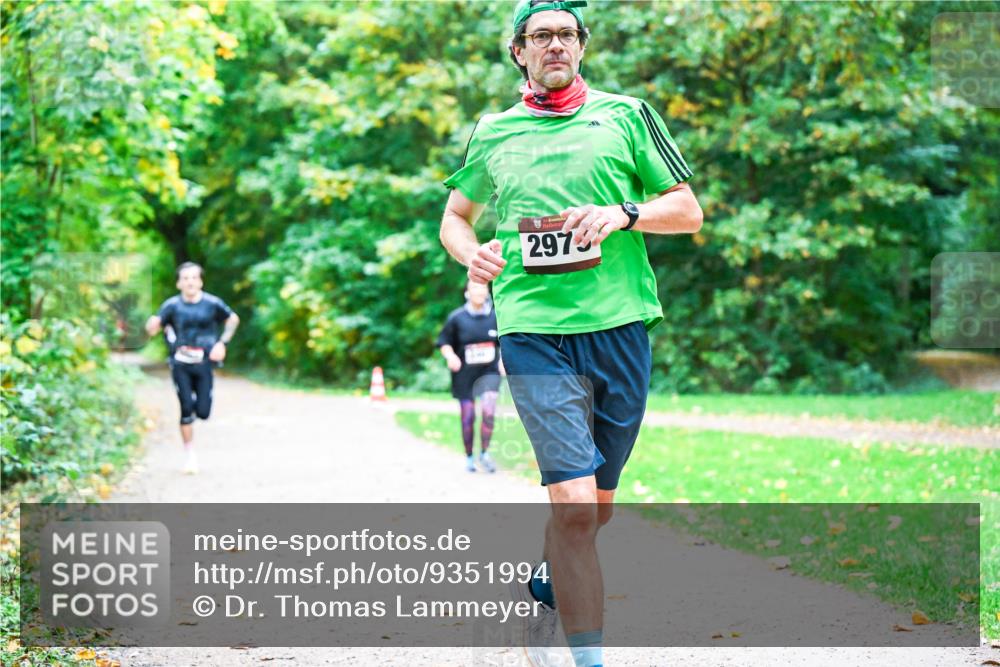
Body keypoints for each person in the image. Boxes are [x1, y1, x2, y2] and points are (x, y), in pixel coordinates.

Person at [438, 1, 703, 665]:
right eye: (540, 36)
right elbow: (455, 217)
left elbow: (688, 211)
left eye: (565, 35)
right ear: (519, 52)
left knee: (596, 511)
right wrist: (472, 253)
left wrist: (624, 213)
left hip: (619, 328)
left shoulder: (628, 115)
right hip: (533, 330)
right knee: (577, 510)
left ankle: (542, 589)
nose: (554, 45)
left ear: (581, 47)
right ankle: (587, 658)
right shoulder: (493, 131)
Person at [145, 262, 240, 474]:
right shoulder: (171, 306)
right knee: (186, 407)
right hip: (180, 364)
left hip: (204, 362)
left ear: (200, 281)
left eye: (194, 277)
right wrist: (151, 326)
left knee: (204, 412)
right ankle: (190, 456)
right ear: (179, 283)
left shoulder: (212, 303)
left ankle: (197, 412)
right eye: (185, 278)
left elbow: (233, 319)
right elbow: (153, 327)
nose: (190, 281)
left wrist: (222, 343)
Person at [436, 280, 504, 473]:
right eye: (474, 287)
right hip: (464, 374)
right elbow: (444, 342)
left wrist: (503, 361)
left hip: (489, 372)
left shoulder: (495, 317)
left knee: (489, 412)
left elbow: (505, 342)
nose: (479, 291)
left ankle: (484, 454)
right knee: (468, 416)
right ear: (467, 293)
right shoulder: (457, 318)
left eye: (482, 287)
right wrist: (450, 356)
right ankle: (469, 457)